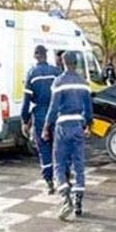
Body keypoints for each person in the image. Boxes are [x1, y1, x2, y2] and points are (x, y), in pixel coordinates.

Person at [43, 51, 93, 221]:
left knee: (59, 163)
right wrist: (89, 125)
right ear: (76, 63)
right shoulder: (84, 83)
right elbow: (89, 108)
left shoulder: (59, 82)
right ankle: (79, 202)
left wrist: (45, 127)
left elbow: (53, 107)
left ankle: (66, 199)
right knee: (78, 164)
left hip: (63, 126)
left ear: (63, 62)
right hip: (78, 125)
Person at [21, 45, 61, 194]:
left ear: (35, 56)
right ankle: (63, 177)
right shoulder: (56, 72)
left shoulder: (31, 74)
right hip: (56, 115)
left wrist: (25, 120)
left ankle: (49, 182)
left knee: (44, 149)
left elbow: (26, 102)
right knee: (58, 148)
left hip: (39, 116)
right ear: (46, 55)